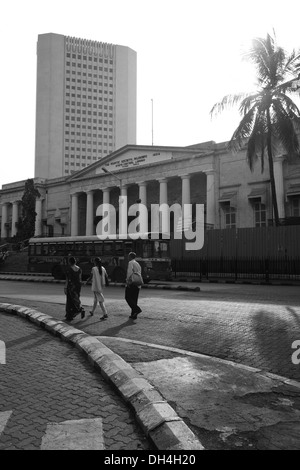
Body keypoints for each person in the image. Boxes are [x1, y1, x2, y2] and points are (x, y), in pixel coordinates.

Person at [64, 256, 85, 321]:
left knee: (69, 301)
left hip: (71, 286)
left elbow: (67, 279)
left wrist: (65, 287)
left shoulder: (69, 269)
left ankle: (70, 315)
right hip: (78, 286)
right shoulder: (79, 269)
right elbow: (80, 278)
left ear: (70, 262)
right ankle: (79, 309)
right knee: (76, 299)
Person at [125, 252, 142, 320]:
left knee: (127, 297)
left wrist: (127, 282)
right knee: (134, 299)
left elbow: (129, 273)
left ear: (130, 257)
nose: (127, 257)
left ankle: (137, 309)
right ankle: (134, 314)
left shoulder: (130, 263)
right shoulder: (137, 263)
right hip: (137, 283)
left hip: (132, 283)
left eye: (128, 256)